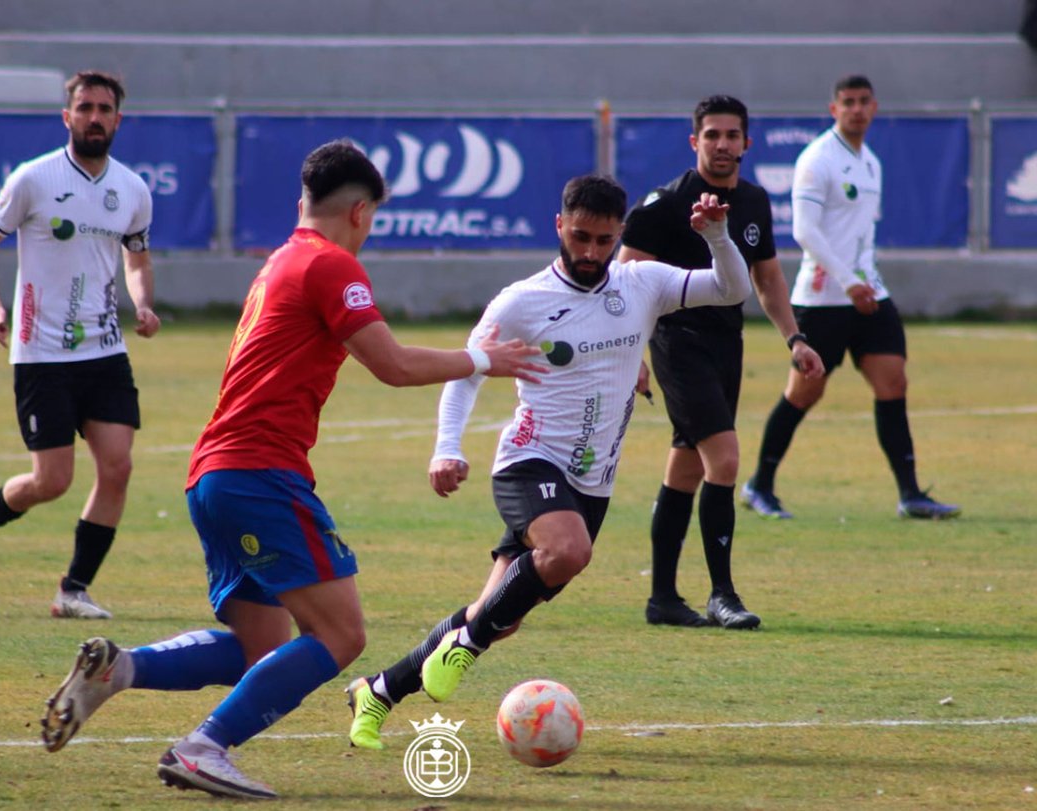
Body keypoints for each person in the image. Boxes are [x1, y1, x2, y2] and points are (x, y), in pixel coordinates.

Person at [37, 140, 547, 800]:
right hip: (259, 473)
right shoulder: (331, 266)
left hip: (215, 475)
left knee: (261, 644)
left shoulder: (281, 259)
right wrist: (482, 359)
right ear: (360, 212)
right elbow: (390, 364)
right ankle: (203, 747)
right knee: (341, 633)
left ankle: (121, 668)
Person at [345, 174, 753, 751]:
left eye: (604, 241)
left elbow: (730, 288)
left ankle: (380, 690)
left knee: (497, 614)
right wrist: (447, 447)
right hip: (528, 464)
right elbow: (468, 370)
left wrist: (717, 236)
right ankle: (464, 648)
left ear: (620, 236)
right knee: (567, 552)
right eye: (580, 237)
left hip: (592, 484)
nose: (590, 253)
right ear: (559, 226)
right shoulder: (522, 301)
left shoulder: (643, 285)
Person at [0, 70, 161, 619]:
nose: (95, 117)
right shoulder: (33, 179)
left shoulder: (132, 189)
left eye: (104, 109)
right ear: (67, 116)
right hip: (40, 352)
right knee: (53, 481)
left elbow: (136, 257)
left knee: (117, 467)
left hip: (104, 349)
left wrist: (142, 302)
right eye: (85, 107)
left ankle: (73, 590)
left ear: (119, 119)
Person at [617, 95, 824, 630]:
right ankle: (722, 594)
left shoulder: (753, 201)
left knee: (686, 465)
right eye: (712, 135)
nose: (723, 144)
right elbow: (623, 282)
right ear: (695, 142)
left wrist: (794, 339)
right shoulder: (665, 203)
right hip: (676, 342)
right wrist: (631, 353)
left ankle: (662, 598)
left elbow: (768, 279)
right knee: (725, 459)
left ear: (747, 143)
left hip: (726, 345)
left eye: (732, 135)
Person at [742, 75, 961, 521]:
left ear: (874, 108)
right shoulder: (816, 159)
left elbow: (859, 234)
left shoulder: (872, 162)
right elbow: (805, 231)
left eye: (863, 102)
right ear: (833, 109)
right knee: (804, 393)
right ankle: (758, 485)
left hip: (869, 293)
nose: (856, 110)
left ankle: (910, 494)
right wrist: (846, 280)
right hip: (824, 297)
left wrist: (864, 281)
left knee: (893, 382)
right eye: (848, 102)